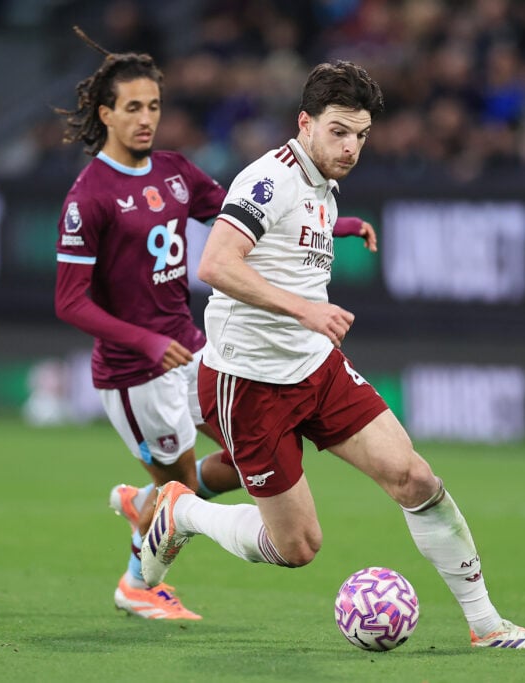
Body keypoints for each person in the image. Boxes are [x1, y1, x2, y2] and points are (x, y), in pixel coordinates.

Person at [139, 60, 525, 649]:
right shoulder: (269, 180)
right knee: (297, 546)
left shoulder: (323, 184)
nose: (351, 147)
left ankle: (487, 626)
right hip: (248, 382)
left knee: (415, 477)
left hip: (316, 367)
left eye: (361, 135)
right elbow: (215, 265)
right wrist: (304, 310)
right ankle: (182, 513)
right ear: (304, 123)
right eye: (338, 131)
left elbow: (288, 241)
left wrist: (342, 230)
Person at [54, 30, 378, 621]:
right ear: (106, 115)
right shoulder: (89, 196)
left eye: (155, 105)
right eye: (133, 107)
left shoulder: (175, 171)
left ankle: (144, 502)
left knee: (242, 459)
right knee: (182, 485)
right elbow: (70, 302)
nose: (147, 119)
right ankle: (137, 583)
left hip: (194, 350)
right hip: (134, 372)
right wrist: (147, 341)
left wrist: (339, 224)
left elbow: (249, 217)